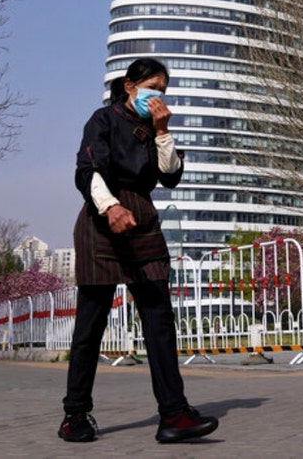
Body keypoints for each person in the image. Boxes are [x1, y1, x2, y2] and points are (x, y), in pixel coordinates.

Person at [58, 57, 219, 444]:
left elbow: (171, 175)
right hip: (103, 220)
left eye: (163, 91)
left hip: (143, 219)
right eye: (152, 88)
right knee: (90, 326)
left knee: (159, 322)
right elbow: (87, 169)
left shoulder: (154, 126)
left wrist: (163, 131)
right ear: (130, 86)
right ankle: (74, 415)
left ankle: (173, 414)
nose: (157, 96)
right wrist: (110, 206)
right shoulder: (103, 120)